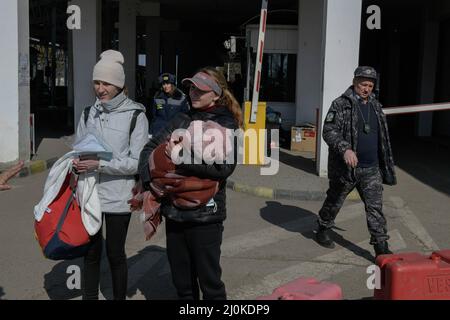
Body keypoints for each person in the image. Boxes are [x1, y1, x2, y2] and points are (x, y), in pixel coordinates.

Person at [138, 67, 242, 300]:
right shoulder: (182, 118)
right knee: (182, 284)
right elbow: (148, 148)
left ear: (215, 94)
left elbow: (223, 168)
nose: (193, 92)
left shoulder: (227, 124)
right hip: (174, 214)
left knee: (211, 284)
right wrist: (149, 181)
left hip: (206, 217)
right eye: (191, 87)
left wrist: (180, 158)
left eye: (200, 89)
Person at [73, 50, 149, 300]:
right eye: (96, 82)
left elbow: (136, 163)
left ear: (119, 84)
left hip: (119, 196)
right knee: (91, 253)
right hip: (91, 193)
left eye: (106, 83)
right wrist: (75, 163)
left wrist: (99, 164)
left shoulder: (136, 115)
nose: (100, 88)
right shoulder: (87, 113)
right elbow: (80, 148)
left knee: (115, 253)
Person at [315, 66, 397, 257]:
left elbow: (381, 136)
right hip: (346, 169)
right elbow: (328, 130)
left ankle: (380, 246)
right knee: (334, 201)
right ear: (354, 82)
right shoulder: (340, 104)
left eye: (370, 85)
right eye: (363, 84)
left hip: (371, 168)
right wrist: (345, 149)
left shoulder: (376, 106)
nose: (367, 88)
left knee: (375, 208)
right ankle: (323, 228)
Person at [148, 73, 190, 137]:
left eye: (168, 83)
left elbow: (185, 117)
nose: (165, 86)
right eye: (163, 84)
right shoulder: (157, 97)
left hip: (175, 133)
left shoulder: (181, 97)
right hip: (158, 132)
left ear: (172, 84)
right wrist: (150, 132)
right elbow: (154, 116)